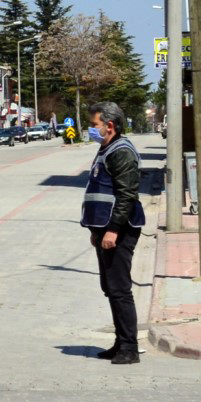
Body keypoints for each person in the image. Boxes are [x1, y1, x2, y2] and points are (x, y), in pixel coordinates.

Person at [81, 101, 146, 365]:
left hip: (120, 230)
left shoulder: (122, 152)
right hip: (105, 230)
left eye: (94, 125)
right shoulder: (106, 148)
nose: (91, 129)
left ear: (109, 126)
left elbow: (126, 196)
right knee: (110, 288)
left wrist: (113, 231)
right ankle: (120, 342)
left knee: (120, 289)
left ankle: (129, 348)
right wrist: (97, 232)